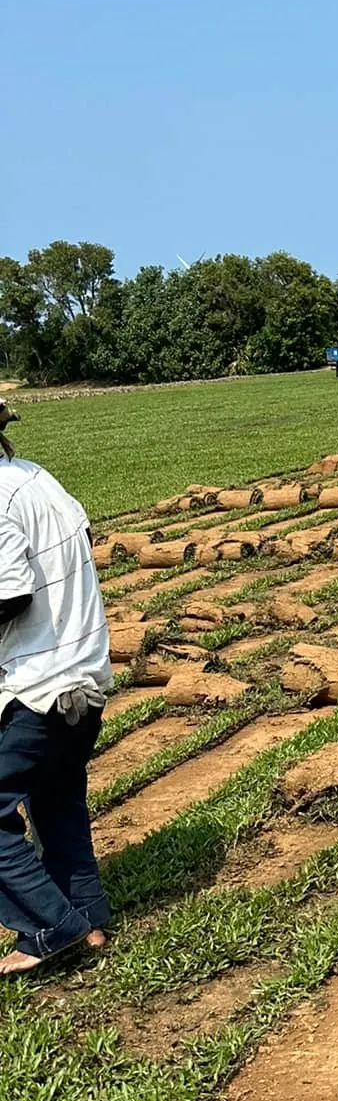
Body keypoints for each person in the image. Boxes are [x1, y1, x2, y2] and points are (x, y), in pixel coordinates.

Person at [0, 401, 114, 976]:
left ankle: (51, 926)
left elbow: (11, 594)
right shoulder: (35, 477)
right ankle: (87, 917)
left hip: (37, 686)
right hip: (85, 675)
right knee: (57, 799)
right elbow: (84, 536)